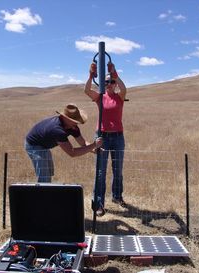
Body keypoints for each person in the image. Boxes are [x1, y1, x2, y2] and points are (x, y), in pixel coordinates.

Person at [84, 62, 127, 217]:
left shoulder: (120, 96)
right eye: (106, 82)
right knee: (101, 171)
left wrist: (114, 73)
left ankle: (117, 196)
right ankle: (99, 204)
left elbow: (124, 88)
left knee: (118, 170)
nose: (109, 84)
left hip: (117, 137)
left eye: (111, 82)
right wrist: (91, 75)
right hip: (102, 137)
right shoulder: (100, 97)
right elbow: (86, 90)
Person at [25, 103, 103, 183]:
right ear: (64, 117)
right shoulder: (57, 129)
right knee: (44, 175)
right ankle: (43, 193)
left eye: (76, 121)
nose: (76, 123)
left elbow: (83, 143)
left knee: (49, 172)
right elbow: (72, 153)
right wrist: (94, 145)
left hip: (44, 145)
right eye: (73, 120)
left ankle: (46, 190)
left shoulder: (73, 127)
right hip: (34, 145)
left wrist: (94, 150)